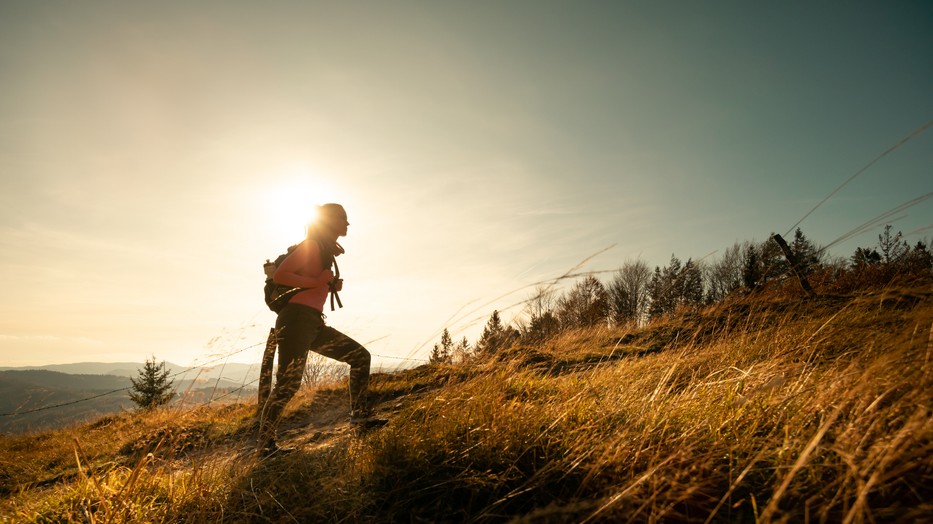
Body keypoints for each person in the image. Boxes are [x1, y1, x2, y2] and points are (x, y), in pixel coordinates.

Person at [257, 203, 385, 457]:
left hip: (313, 323)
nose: (347, 224)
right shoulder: (312, 245)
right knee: (288, 384)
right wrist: (317, 282)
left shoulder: (324, 250)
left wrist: (329, 286)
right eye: (343, 219)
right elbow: (282, 275)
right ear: (329, 221)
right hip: (296, 321)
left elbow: (307, 281)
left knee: (360, 357)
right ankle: (265, 445)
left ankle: (359, 418)